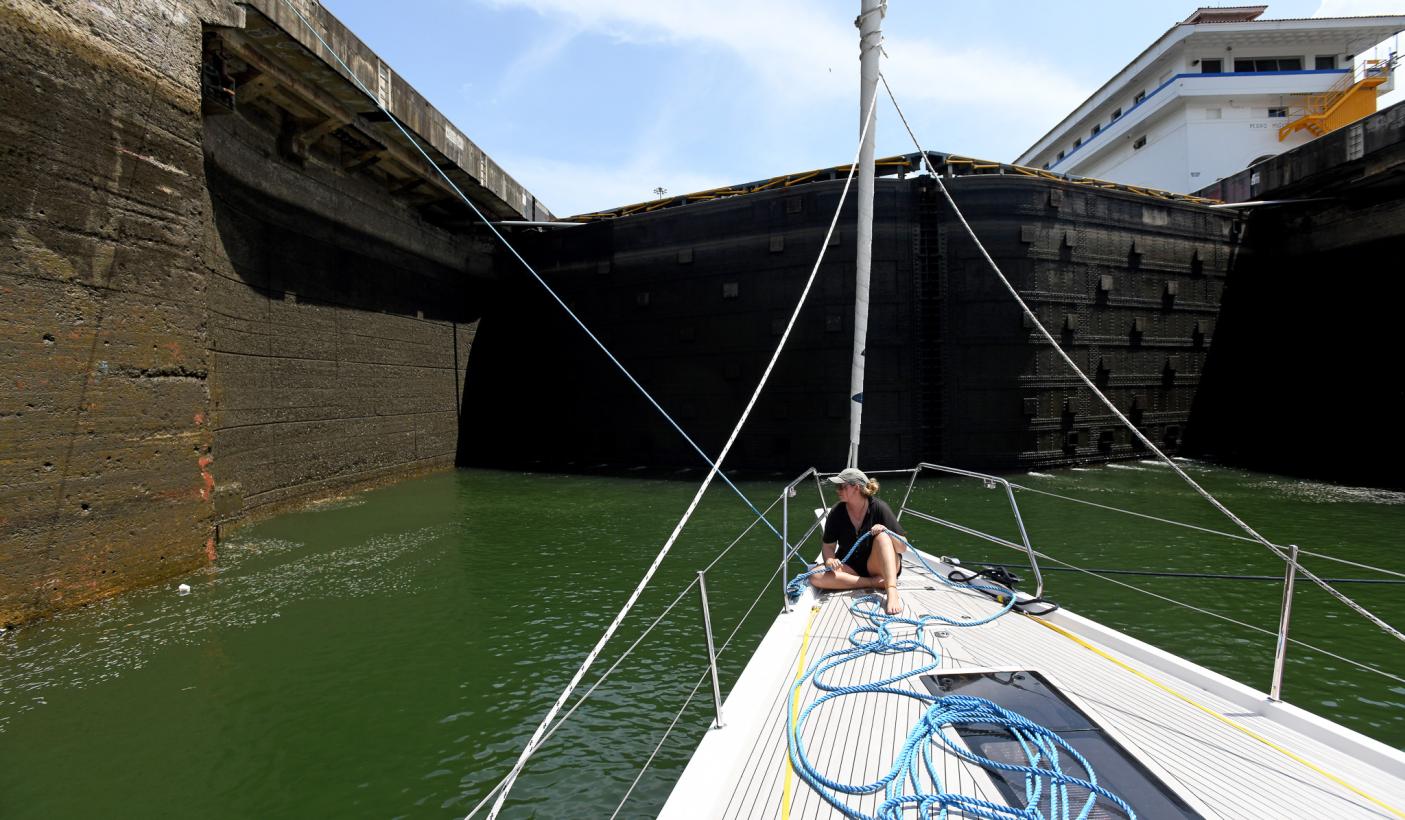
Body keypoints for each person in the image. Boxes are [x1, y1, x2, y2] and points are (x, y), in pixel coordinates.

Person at [810, 467, 908, 614]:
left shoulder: (879, 508)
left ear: (856, 488)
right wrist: (830, 560)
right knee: (815, 575)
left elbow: (902, 547)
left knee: (882, 537)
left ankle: (891, 591)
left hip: (878, 565)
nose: (837, 490)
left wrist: (885, 530)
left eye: (841, 487)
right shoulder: (837, 512)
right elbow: (828, 546)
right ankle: (873, 582)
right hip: (853, 566)